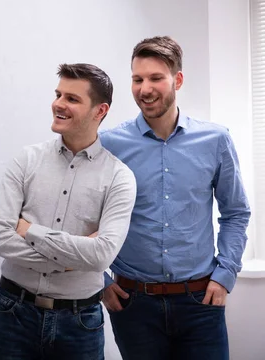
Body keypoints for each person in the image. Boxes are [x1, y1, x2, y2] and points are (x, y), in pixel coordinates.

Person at [100, 36, 251, 360]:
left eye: (156, 78)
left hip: (200, 300)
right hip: (132, 304)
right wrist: (99, 279)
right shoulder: (110, 144)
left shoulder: (215, 140)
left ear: (177, 80)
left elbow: (236, 212)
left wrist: (224, 276)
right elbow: (84, 216)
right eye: (137, 79)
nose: (145, 88)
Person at [0, 63, 136, 360]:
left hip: (79, 324)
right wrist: (73, 258)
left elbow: (101, 256)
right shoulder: (26, 160)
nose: (59, 104)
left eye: (72, 99)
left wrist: (29, 230)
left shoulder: (120, 177)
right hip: (12, 312)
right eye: (58, 94)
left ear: (100, 111)